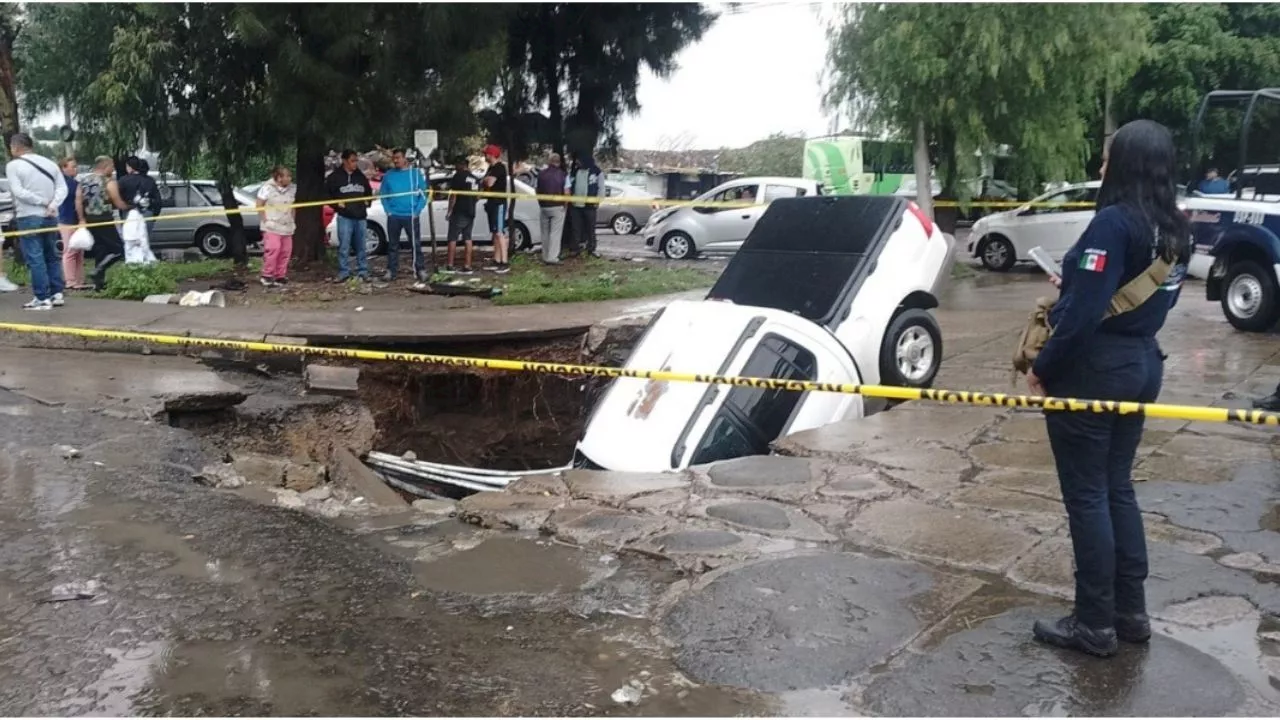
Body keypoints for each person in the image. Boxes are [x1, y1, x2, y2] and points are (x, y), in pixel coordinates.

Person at [1026, 119, 1191, 658]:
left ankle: (1093, 622)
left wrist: (1043, 367)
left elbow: (1081, 318)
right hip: (1141, 364)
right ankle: (1130, 613)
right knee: (1117, 487)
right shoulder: (1174, 229)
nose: (1100, 167)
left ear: (1125, 164)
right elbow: (1138, 297)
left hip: (1095, 371)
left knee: (1089, 495)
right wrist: (1076, 283)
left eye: (1106, 157)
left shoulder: (1114, 223)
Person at [5, 132, 68, 310]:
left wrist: (41, 202)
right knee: (52, 255)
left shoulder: (14, 166)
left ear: (16, 147)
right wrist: (53, 204)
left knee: (35, 257)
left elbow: (18, 192)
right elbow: (62, 188)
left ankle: (41, 297)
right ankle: (57, 293)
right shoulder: (49, 163)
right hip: (50, 216)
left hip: (29, 216)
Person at [378, 148, 429, 282]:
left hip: (411, 215)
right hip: (394, 215)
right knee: (393, 245)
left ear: (405, 158)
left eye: (398, 158)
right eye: (394, 158)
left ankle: (420, 269)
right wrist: (388, 210)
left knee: (415, 244)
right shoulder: (389, 175)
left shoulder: (415, 174)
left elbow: (424, 194)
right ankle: (391, 270)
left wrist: (417, 211)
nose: (395, 161)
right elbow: (383, 194)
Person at [79, 156, 128, 292]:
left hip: (90, 219)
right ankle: (98, 269)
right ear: (105, 166)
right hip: (104, 219)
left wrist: (82, 218)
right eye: (112, 166)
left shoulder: (84, 181)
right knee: (118, 249)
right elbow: (117, 202)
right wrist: (129, 207)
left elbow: (78, 200)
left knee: (101, 250)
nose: (113, 169)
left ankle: (98, 284)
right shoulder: (108, 182)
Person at [325, 149, 373, 282]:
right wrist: (336, 205)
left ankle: (363, 271)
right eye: (352, 161)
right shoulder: (334, 177)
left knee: (361, 245)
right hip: (344, 216)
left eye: (356, 160)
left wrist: (367, 203)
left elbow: (368, 192)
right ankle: (343, 272)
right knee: (344, 246)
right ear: (344, 161)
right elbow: (327, 194)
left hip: (360, 216)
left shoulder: (360, 177)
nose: (355, 163)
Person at [256, 165, 297, 287]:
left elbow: (293, 207)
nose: (290, 178)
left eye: (290, 176)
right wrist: (265, 220)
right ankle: (267, 275)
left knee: (286, 251)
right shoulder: (267, 188)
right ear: (279, 178)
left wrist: (293, 221)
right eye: (287, 176)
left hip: (286, 225)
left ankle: (280, 275)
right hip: (272, 225)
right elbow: (259, 205)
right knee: (274, 249)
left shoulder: (292, 189)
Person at [116, 156, 161, 265]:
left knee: (130, 241)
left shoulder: (123, 180)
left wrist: (122, 213)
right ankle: (145, 264)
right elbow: (158, 201)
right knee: (144, 240)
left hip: (128, 214)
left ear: (131, 167)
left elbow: (118, 199)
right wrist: (154, 215)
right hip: (147, 213)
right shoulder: (149, 181)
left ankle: (132, 264)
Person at [443, 155, 481, 276]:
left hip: (459, 211)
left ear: (461, 165)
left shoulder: (458, 176)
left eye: (456, 165)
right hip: (471, 211)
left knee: (452, 238)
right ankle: (467, 265)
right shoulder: (474, 178)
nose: (455, 167)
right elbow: (478, 196)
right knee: (468, 238)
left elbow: (453, 195)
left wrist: (449, 211)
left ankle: (450, 265)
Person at [57, 156, 89, 290]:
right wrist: (82, 219)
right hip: (72, 220)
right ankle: (73, 280)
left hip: (62, 219)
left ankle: (76, 279)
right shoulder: (74, 184)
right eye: (73, 166)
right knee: (73, 251)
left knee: (74, 250)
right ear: (64, 167)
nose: (76, 169)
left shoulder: (57, 183)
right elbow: (78, 202)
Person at [568, 150, 605, 259]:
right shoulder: (575, 171)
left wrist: (598, 201)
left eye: (579, 160)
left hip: (590, 205)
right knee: (575, 228)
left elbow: (601, 188)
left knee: (590, 228)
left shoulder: (597, 172)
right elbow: (570, 185)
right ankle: (575, 249)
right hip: (575, 205)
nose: (577, 162)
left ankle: (591, 248)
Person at [481, 144, 510, 274]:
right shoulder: (490, 168)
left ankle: (505, 262)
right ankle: (497, 260)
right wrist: (485, 180)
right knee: (494, 233)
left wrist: (485, 180)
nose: (484, 156)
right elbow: (485, 182)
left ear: (492, 155)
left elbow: (489, 183)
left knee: (499, 232)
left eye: (486, 154)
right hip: (491, 203)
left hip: (499, 204)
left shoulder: (499, 168)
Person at [536, 152, 568, 265]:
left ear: (549, 162)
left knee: (544, 232)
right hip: (557, 207)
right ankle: (552, 257)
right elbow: (567, 192)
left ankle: (545, 256)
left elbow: (537, 190)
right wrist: (565, 205)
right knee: (555, 233)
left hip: (544, 206)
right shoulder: (563, 175)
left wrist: (540, 202)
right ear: (559, 163)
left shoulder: (541, 174)